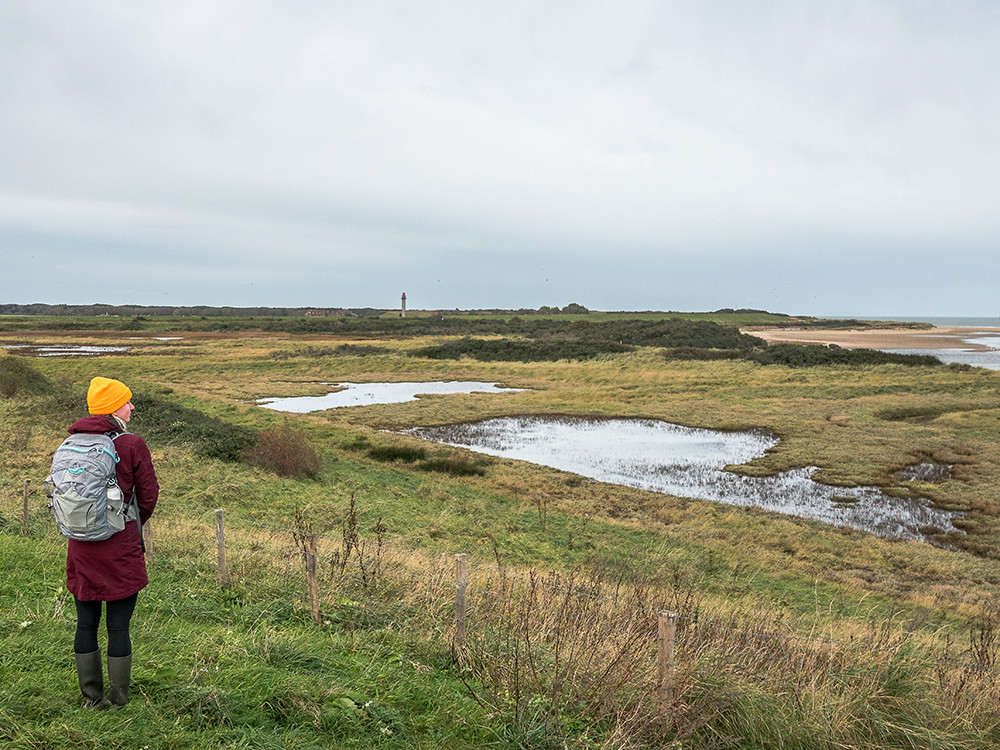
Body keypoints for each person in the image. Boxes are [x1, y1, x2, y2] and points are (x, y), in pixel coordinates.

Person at [67, 376, 158, 708]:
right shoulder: (132, 444)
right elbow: (148, 497)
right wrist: (128, 526)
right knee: (118, 627)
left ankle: (92, 698)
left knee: (85, 623)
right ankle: (118, 701)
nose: (132, 406)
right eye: (127, 401)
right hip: (119, 548)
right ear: (111, 407)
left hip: (79, 545)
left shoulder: (72, 441)